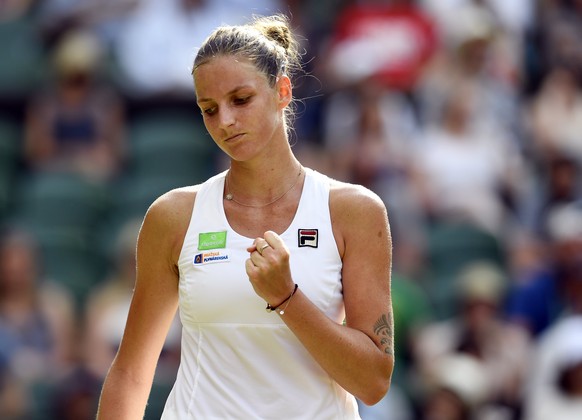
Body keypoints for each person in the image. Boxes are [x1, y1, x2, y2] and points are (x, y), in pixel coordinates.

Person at [97, 14, 394, 419]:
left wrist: (285, 297)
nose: (226, 122)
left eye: (240, 99)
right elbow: (131, 373)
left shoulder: (354, 211)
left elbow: (373, 383)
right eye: (209, 109)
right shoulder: (172, 216)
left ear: (282, 91)